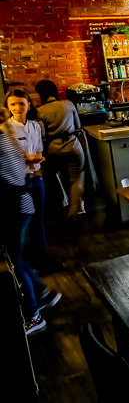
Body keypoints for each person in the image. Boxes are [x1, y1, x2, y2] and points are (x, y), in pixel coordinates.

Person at [0, 108, 61, 335]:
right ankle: (43, 292)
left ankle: (34, 316)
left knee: (13, 260)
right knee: (14, 256)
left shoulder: (2, 141)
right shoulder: (6, 137)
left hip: (14, 208)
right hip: (18, 205)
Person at [4, 89, 62, 273]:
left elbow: (38, 150)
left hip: (36, 178)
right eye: (12, 104)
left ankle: (41, 259)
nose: (17, 107)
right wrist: (25, 160)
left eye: (21, 103)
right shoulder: (5, 129)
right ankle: (16, 264)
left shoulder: (36, 126)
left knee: (39, 221)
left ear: (29, 105)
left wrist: (38, 158)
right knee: (19, 225)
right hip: (17, 184)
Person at [35, 80, 85, 222]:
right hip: (72, 145)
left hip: (53, 148)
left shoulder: (40, 111)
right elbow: (78, 125)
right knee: (75, 179)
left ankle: (63, 204)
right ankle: (77, 208)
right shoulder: (68, 104)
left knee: (55, 176)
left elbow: (42, 135)